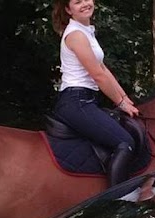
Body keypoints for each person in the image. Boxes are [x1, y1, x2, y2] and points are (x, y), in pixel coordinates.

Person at [51, 0, 139, 186]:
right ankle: (119, 202)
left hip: (86, 100)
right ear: (68, 9)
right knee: (125, 143)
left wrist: (125, 99)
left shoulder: (86, 32)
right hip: (76, 101)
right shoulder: (76, 35)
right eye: (77, 2)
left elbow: (103, 69)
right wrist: (120, 103)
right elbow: (98, 76)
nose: (84, 4)